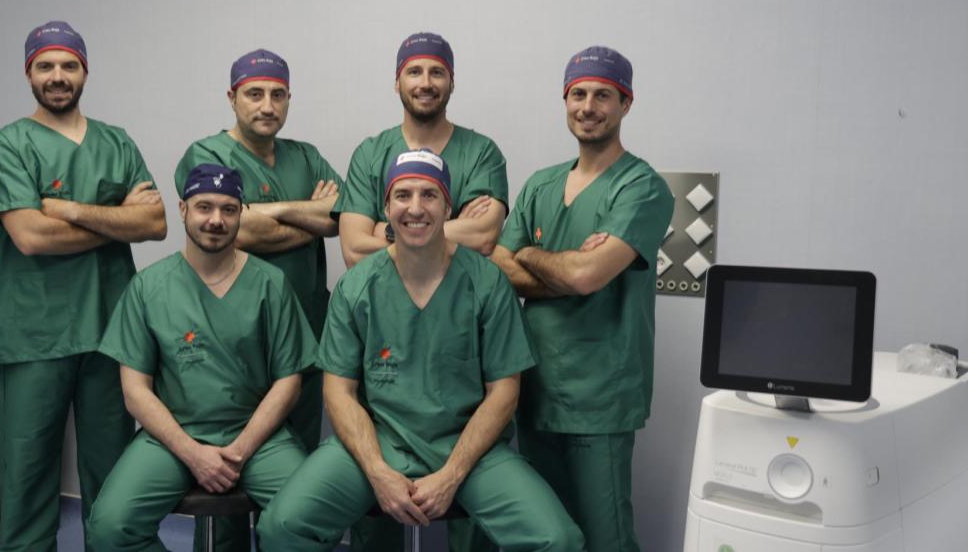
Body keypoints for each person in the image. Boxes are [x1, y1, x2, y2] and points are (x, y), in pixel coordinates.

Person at [258, 150, 584, 552]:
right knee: (281, 527)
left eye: (429, 195)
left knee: (558, 540)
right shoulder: (357, 288)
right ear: (386, 208)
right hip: (379, 442)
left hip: (467, 448)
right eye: (403, 195)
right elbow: (338, 392)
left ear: (448, 207)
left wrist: (452, 474)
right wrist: (376, 471)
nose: (415, 208)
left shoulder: (486, 284)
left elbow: (504, 392)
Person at [0, 20, 167, 551]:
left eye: (68, 65)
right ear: (28, 74)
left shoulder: (116, 142)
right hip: (31, 335)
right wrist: (116, 220)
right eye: (45, 66)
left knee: (113, 478)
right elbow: (32, 237)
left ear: (85, 71)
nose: (57, 76)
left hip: (110, 331)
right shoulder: (10, 144)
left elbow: (154, 224)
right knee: (28, 477)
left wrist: (71, 211)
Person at [490, 46, 674, 552]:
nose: (588, 107)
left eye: (603, 96)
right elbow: (498, 267)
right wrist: (565, 268)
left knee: (605, 538)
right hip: (535, 388)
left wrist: (531, 253)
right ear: (565, 101)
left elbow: (587, 275)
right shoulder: (541, 185)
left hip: (600, 396)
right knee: (549, 536)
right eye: (578, 95)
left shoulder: (642, 188)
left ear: (626, 104)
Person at [87, 164, 315, 552]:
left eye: (229, 209)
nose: (216, 220)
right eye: (204, 207)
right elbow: (135, 392)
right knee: (109, 528)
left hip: (257, 436)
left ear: (241, 213)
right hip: (173, 436)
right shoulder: (149, 288)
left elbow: (289, 381)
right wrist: (193, 454)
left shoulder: (270, 285)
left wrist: (240, 451)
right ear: (183, 210)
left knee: (306, 520)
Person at [173, 49, 341, 453]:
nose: (267, 106)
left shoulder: (306, 156)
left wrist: (273, 211)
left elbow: (342, 218)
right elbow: (237, 230)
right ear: (232, 98)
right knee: (228, 457)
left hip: (304, 325)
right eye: (254, 94)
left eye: (277, 95)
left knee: (299, 454)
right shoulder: (208, 155)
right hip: (234, 332)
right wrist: (308, 215)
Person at [336, 32, 508, 269]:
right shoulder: (369, 155)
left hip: (460, 292)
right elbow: (354, 251)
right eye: (414, 72)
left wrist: (387, 230)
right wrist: (451, 230)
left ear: (452, 83)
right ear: (397, 83)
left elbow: (483, 236)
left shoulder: (481, 153)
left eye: (437, 72)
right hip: (383, 293)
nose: (425, 83)